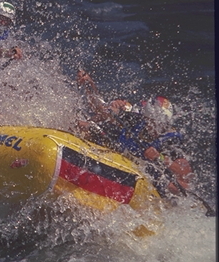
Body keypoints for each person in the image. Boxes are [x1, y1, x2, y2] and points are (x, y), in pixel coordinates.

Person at [76, 69, 193, 198]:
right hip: (119, 161)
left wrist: (159, 157)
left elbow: (185, 177)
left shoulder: (171, 141)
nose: (151, 126)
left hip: (145, 183)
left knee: (172, 186)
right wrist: (89, 85)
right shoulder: (136, 119)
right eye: (149, 121)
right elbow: (101, 110)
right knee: (84, 126)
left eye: (156, 124)